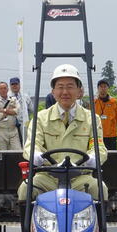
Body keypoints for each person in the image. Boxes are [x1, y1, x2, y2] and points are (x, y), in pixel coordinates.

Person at [17, 64, 108, 201]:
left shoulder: (91, 119)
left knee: (100, 188)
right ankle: (27, 222)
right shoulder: (41, 118)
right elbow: (31, 145)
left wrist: (92, 159)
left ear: (79, 91)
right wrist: (37, 156)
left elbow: (99, 148)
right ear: (53, 92)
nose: (65, 92)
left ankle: (99, 222)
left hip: (80, 177)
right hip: (47, 177)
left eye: (70, 86)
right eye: (60, 87)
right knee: (25, 189)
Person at [0, 81, 21, 150]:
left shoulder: (13, 99)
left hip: (13, 130)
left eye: (5, 88)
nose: (3, 90)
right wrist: (11, 111)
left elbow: (17, 111)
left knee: (17, 150)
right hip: (1, 130)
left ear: (8, 89)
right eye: (1, 88)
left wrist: (4, 110)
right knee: (3, 153)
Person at [94, 79, 117, 150]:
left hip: (111, 134)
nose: (103, 89)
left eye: (105, 87)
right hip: (98, 134)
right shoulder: (94, 101)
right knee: (99, 154)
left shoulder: (113, 101)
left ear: (108, 88)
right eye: (101, 87)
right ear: (98, 88)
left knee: (112, 156)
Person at [9, 77, 34, 144]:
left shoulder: (25, 96)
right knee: (14, 144)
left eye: (16, 84)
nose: (14, 86)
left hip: (24, 123)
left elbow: (32, 109)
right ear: (10, 86)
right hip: (12, 124)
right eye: (12, 84)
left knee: (25, 142)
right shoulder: (8, 97)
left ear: (19, 85)